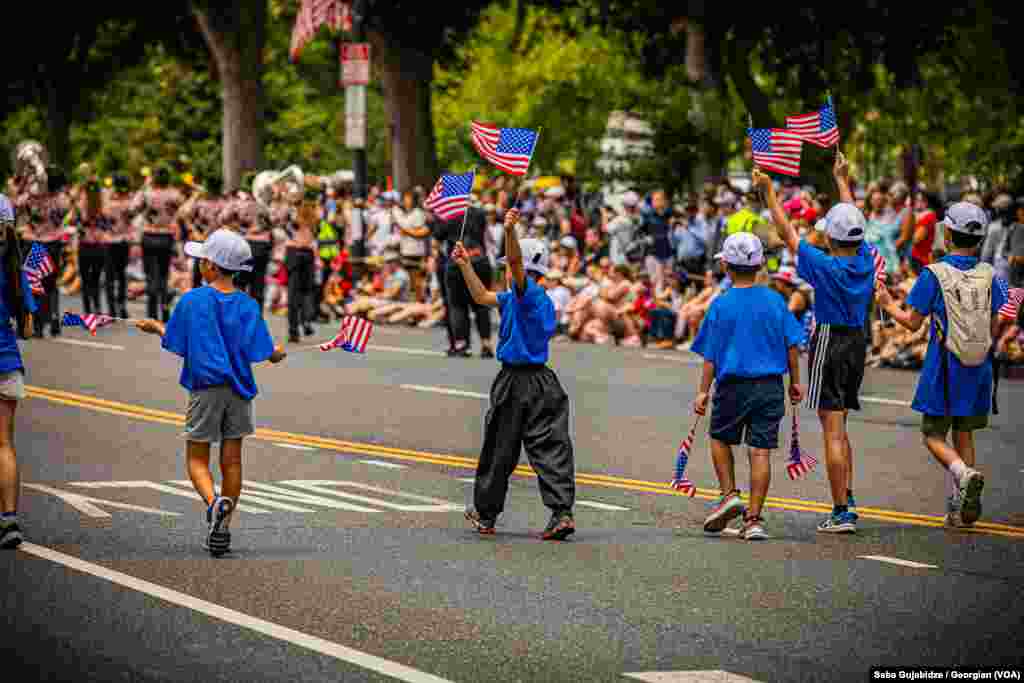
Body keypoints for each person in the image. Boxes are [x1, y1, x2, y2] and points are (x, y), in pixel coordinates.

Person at [135, 229, 286, 556]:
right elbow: (263, 351)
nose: (199, 263)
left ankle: (213, 501)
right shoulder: (247, 304)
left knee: (196, 458)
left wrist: (155, 327)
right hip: (240, 391)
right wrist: (277, 353)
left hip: (206, 389)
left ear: (213, 267)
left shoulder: (192, 300)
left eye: (203, 258)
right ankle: (224, 526)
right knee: (232, 462)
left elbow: (176, 342)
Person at [756, 152, 874, 534]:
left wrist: (769, 194)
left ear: (832, 236)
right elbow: (853, 221)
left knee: (832, 429)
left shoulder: (825, 264)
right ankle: (848, 497)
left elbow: (788, 233)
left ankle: (842, 510)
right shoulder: (866, 260)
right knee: (840, 427)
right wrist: (842, 180)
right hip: (858, 341)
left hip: (829, 338)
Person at [875, 202, 1008, 528]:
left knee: (933, 434)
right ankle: (960, 507)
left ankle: (963, 475)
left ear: (947, 234)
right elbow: (998, 319)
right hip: (979, 367)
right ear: (978, 240)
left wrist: (887, 305)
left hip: (944, 366)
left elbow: (911, 322)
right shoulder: (990, 274)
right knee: (964, 432)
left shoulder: (933, 274)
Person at [455, 207, 576, 540]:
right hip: (543, 381)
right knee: (552, 446)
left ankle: (486, 512)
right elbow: (480, 296)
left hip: (517, 380)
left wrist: (509, 231)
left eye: (508, 264)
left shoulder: (529, 295)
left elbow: (518, 266)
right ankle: (561, 512)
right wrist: (465, 265)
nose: (507, 269)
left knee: (499, 448)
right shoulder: (516, 298)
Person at [692, 233, 803, 540]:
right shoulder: (775, 301)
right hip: (769, 386)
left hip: (733, 386)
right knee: (760, 452)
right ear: (759, 264)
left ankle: (729, 494)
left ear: (726, 266)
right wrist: (795, 382)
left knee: (719, 438)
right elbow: (792, 345)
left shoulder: (721, 305)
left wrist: (703, 391)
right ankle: (753, 520)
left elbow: (711, 356)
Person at [0, 196, 37, 548]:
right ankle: (9, 519)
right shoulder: (14, 267)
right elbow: (27, 328)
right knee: (4, 444)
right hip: (8, 364)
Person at [14, 165, 69, 337]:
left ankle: (37, 325)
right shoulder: (62, 199)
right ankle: (54, 319)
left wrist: (25, 186)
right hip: (55, 243)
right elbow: (64, 212)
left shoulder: (34, 195)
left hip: (36, 243)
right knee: (51, 284)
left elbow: (17, 203)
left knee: (33, 285)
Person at [132, 165, 184, 322]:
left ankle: (152, 313)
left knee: (150, 277)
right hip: (166, 236)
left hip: (149, 236)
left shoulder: (146, 194)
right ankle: (165, 310)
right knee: (163, 275)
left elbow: (134, 207)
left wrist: (144, 186)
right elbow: (181, 209)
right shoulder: (174, 194)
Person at [444, 205, 495, 358]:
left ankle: (462, 344)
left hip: (458, 260)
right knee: (482, 302)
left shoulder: (449, 213)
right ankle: (486, 344)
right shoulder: (479, 213)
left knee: (458, 305)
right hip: (479, 259)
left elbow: (438, 235)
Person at [285, 190, 318, 343]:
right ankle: (306, 321)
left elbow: (286, 227)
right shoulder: (313, 215)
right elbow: (315, 233)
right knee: (306, 291)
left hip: (294, 251)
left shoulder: (290, 214)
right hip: (308, 252)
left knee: (293, 293)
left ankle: (293, 331)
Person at [104, 175, 137, 318]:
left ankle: (111, 308)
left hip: (110, 241)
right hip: (124, 241)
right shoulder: (131, 201)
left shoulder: (108, 200)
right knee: (121, 274)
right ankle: (122, 306)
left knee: (110, 276)